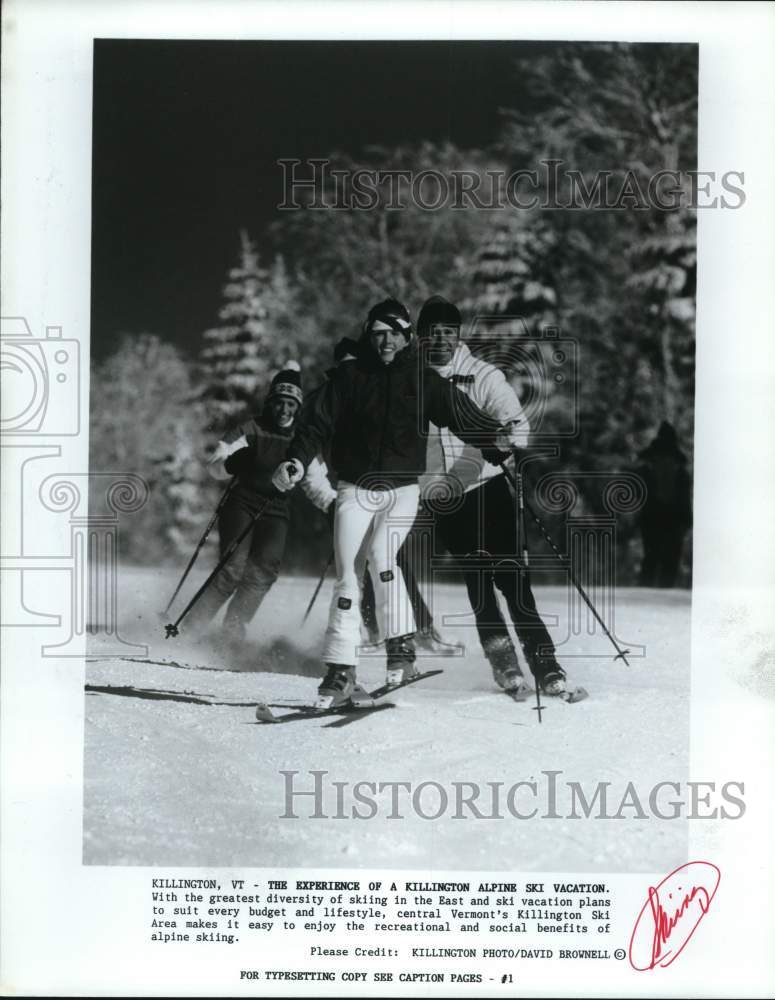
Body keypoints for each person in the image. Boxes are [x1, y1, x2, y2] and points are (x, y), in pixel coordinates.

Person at [272, 298, 514, 709]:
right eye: (377, 334)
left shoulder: (421, 379)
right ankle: (340, 669)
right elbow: (315, 424)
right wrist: (294, 460)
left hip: (402, 489)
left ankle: (401, 650)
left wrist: (495, 441)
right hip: (354, 487)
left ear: (406, 337)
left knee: (384, 557)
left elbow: (461, 414)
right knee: (348, 575)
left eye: (393, 334)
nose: (385, 342)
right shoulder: (349, 378)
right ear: (370, 336)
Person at [416, 295, 571, 697]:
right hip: (440, 498)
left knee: (513, 582)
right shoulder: (409, 381)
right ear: (420, 337)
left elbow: (515, 424)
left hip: (486, 489)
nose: (441, 341)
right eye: (432, 333)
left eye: (448, 332)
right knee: (478, 584)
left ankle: (546, 665)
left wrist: (496, 450)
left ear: (458, 335)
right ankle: (504, 666)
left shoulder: (482, 375)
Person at [189, 362, 335, 645]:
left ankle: (233, 630)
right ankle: (191, 626)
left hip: (276, 511)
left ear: (298, 407)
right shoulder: (250, 429)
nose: (284, 410)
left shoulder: (303, 441)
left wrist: (333, 506)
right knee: (232, 569)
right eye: (279, 403)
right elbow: (214, 466)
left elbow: (315, 482)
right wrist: (231, 463)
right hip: (241, 504)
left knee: (264, 570)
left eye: (291, 404)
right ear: (271, 403)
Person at [636, 420, 692, 587]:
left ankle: (649, 593)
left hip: (659, 517)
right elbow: (684, 500)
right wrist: (687, 520)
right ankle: (656, 593)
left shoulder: (648, 471)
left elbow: (641, 497)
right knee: (666, 560)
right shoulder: (680, 472)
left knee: (654, 558)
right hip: (667, 518)